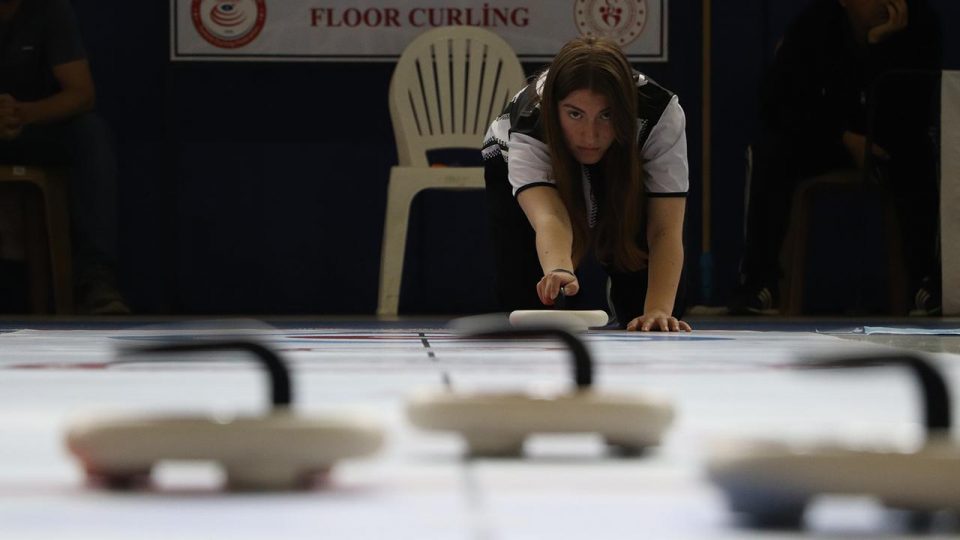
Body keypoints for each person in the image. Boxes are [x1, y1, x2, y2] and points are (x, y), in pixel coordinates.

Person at [730, 0, 942, 315]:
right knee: (772, 151)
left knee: (920, 153)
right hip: (827, 141)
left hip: (889, 142)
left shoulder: (918, 28)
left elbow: (914, 110)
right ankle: (760, 284)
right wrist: (842, 138)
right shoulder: (814, 27)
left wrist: (878, 48)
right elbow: (779, 103)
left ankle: (926, 284)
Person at [482, 37, 691, 332]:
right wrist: (558, 269)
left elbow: (665, 228)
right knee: (527, 307)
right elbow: (549, 217)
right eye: (574, 114)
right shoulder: (530, 119)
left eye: (606, 115)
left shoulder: (659, 114)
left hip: (624, 165)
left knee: (651, 315)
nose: (589, 136)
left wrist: (657, 309)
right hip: (526, 165)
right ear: (553, 109)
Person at [0, 0, 128, 314]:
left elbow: (81, 93)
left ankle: (95, 279)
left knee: (91, 133)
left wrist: (24, 114)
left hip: (32, 127)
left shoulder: (48, 9)